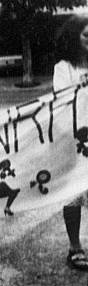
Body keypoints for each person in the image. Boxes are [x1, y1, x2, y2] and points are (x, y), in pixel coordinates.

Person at [53, 15, 88, 270]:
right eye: (86, 35)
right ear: (75, 38)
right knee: (73, 195)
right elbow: (62, 100)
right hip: (76, 139)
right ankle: (74, 246)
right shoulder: (64, 67)